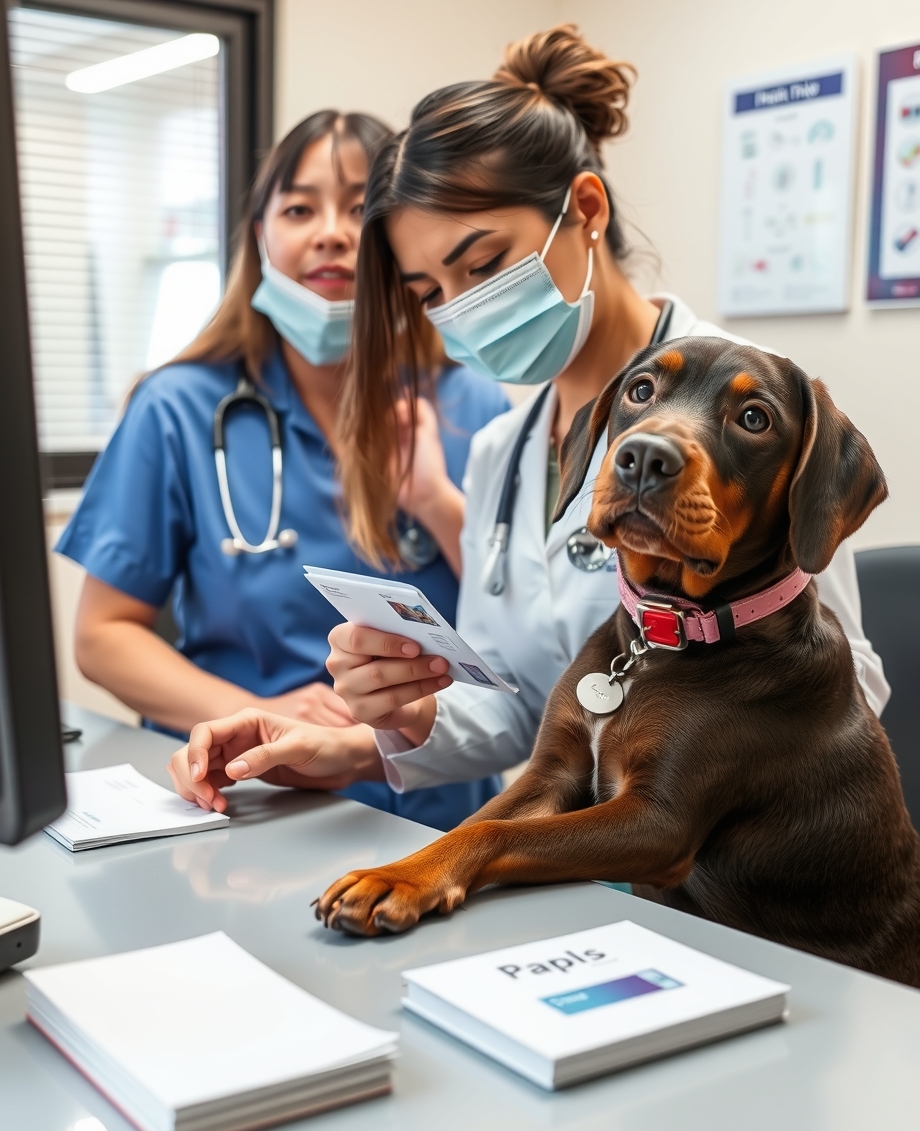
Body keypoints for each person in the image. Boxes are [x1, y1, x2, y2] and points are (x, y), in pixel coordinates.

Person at [166, 28, 887, 818]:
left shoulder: (757, 410)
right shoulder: (501, 450)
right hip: (582, 865)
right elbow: (511, 707)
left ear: (584, 210)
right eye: (430, 292)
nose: (462, 307)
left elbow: (852, 681)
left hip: (732, 874)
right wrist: (358, 736)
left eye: (482, 267)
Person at [56, 110, 510, 831]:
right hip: (246, 802)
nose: (330, 230)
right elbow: (103, 636)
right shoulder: (178, 407)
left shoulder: (472, 399)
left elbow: (519, 639)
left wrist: (436, 503)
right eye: (299, 208)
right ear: (259, 237)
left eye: (362, 208)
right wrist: (258, 713)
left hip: (434, 814)